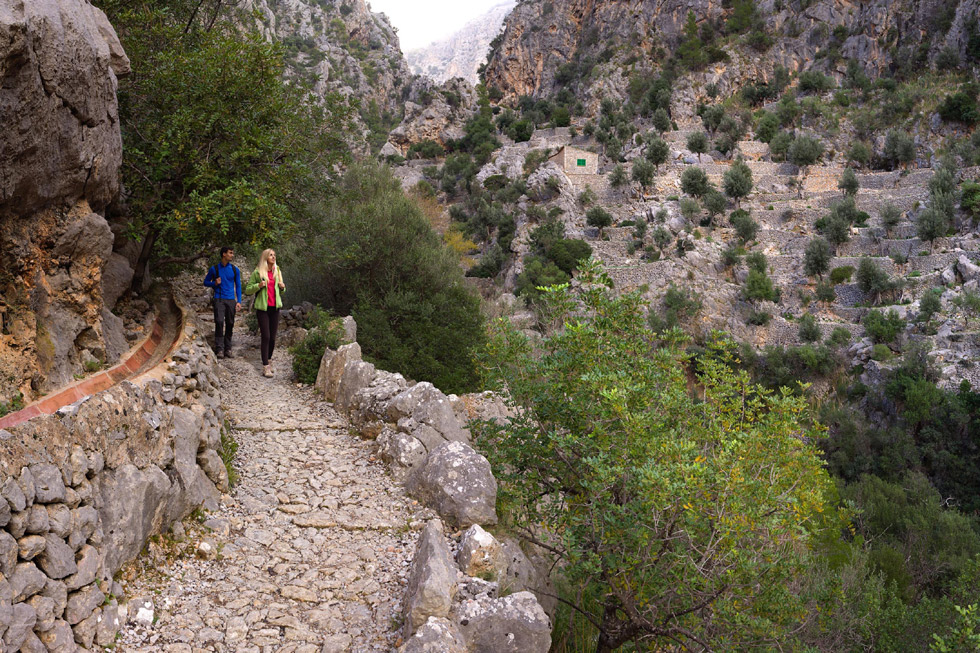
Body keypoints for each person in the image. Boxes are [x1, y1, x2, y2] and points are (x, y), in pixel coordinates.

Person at [245, 249, 285, 378]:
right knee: (266, 336)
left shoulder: (277, 271)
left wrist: (283, 287)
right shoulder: (258, 272)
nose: (273, 257)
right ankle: (265, 367)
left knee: (273, 338)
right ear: (265, 257)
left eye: (274, 255)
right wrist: (259, 285)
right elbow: (248, 290)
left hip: (275, 308)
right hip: (263, 309)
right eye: (271, 255)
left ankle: (269, 360)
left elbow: (281, 291)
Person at [203, 246, 241, 359]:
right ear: (224, 254)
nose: (232, 255)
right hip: (219, 299)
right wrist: (214, 283)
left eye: (232, 253)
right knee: (219, 322)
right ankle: (219, 349)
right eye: (230, 253)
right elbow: (205, 282)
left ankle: (228, 348)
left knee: (230, 323)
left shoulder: (235, 269)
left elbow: (238, 286)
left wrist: (238, 301)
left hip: (230, 300)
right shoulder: (214, 269)